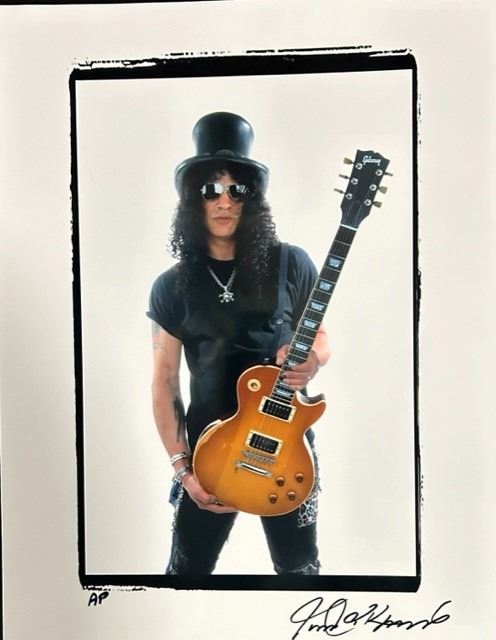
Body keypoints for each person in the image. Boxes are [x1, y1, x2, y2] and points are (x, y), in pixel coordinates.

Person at [147, 112, 330, 575]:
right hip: (208, 459)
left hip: (287, 451)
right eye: (211, 189)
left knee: (301, 574)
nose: (224, 201)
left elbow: (321, 335)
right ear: (194, 199)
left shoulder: (291, 263)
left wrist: (313, 359)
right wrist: (182, 470)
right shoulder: (171, 286)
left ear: (253, 199)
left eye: (237, 190)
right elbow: (165, 381)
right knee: (184, 577)